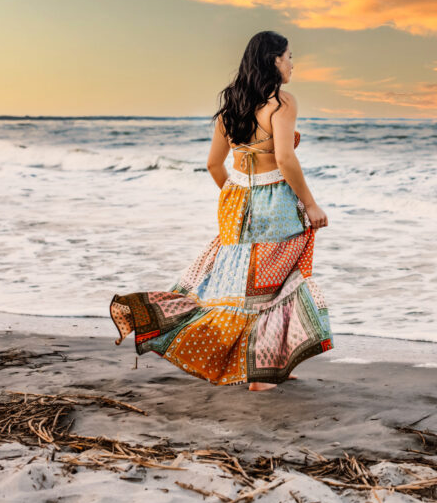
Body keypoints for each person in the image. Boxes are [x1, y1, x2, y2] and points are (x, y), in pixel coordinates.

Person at [108, 30, 333, 391]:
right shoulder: (281, 102)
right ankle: (262, 374)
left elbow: (214, 165)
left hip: (235, 202)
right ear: (273, 60)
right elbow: (284, 157)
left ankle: (263, 365)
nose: (293, 63)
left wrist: (239, 196)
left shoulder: (231, 108)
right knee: (275, 286)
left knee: (239, 288)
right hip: (273, 202)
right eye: (289, 56)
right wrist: (310, 203)